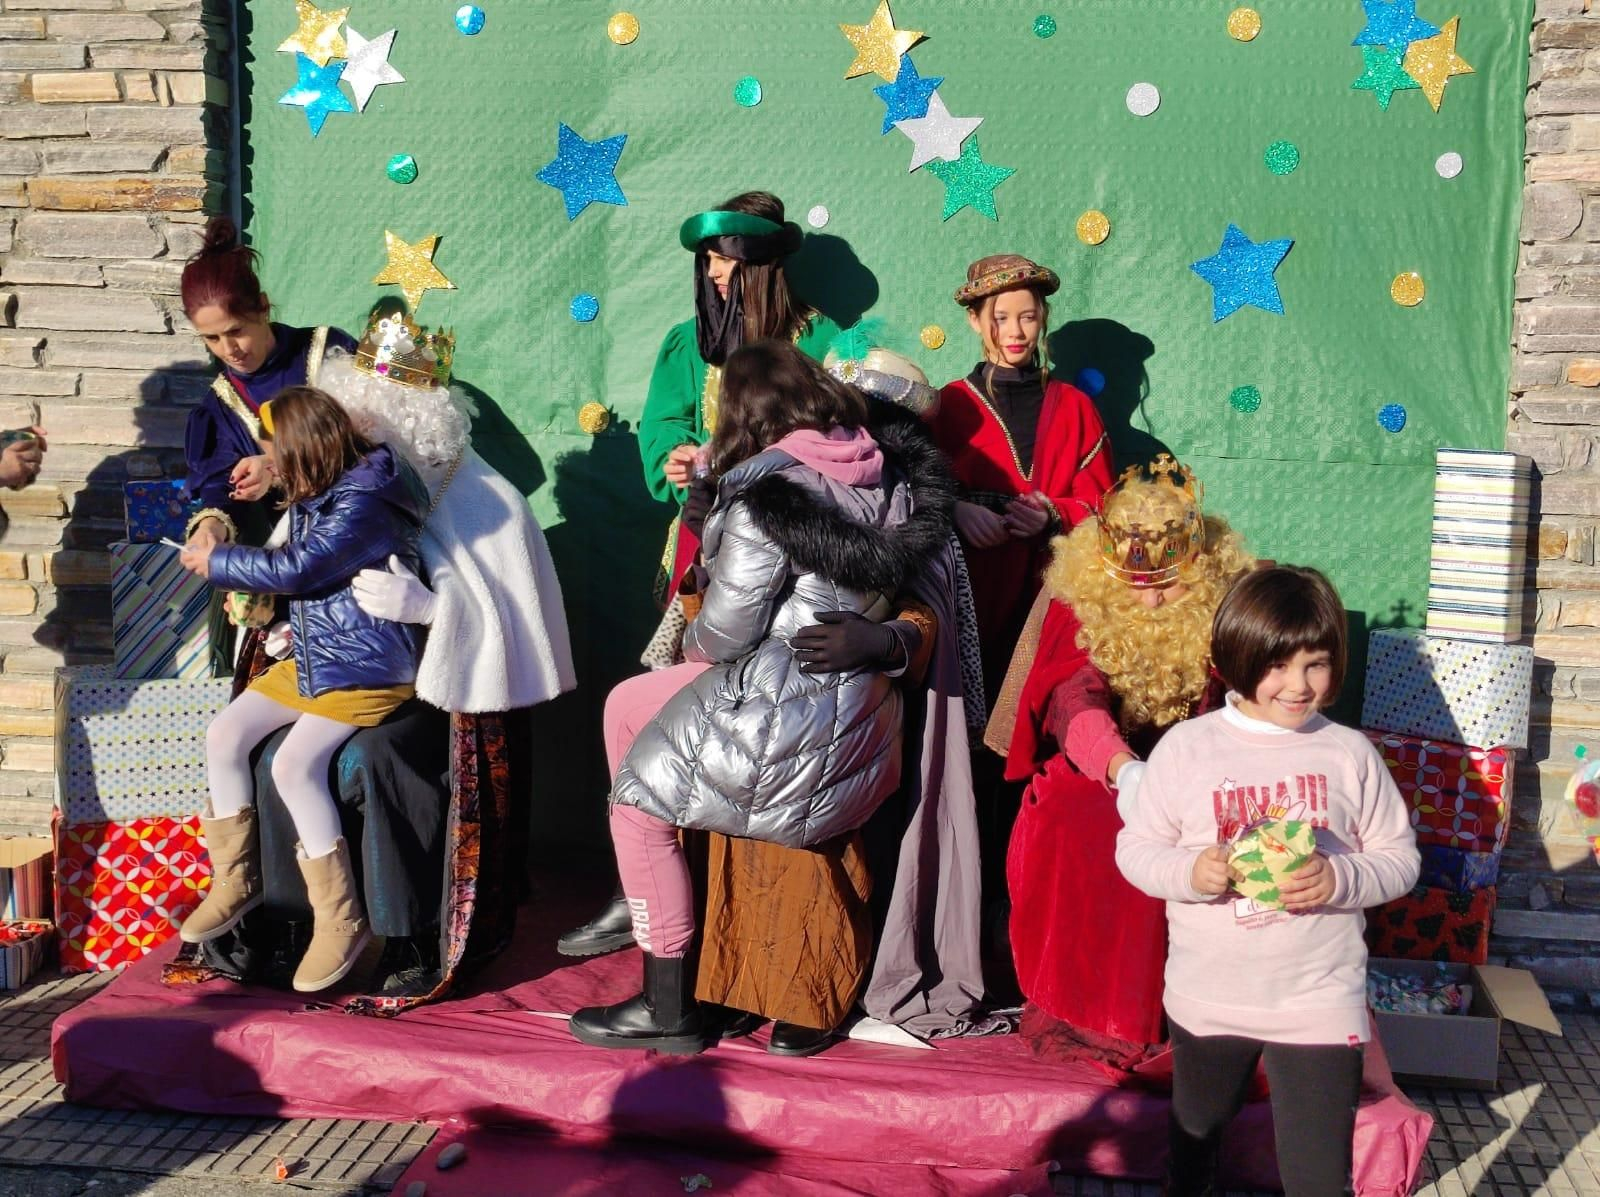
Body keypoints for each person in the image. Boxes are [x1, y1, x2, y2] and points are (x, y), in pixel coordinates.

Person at [568, 339, 952, 1055]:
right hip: (858, 702)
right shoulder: (881, 467)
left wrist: (693, 629)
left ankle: (666, 998)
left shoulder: (769, 492)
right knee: (629, 707)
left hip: (788, 699)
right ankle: (666, 907)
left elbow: (726, 632)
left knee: (634, 804)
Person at [560, 191, 841, 957]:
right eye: (708, 261)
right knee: (651, 722)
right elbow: (663, 437)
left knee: (753, 735)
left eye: (730, 262)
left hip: (791, 575)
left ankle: (738, 917)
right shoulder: (686, 345)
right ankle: (640, 887)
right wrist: (677, 460)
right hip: (696, 567)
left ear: (767, 269)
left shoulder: (818, 342)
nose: (717, 275)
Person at [1115, 566, 1419, 1196]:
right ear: (1235, 657)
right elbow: (1137, 851)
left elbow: (1399, 858)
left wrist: (1340, 878)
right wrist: (1192, 873)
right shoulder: (1188, 749)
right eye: (1278, 665)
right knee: (1196, 1138)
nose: (1298, 685)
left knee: (1317, 1176)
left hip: (1319, 997)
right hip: (1211, 996)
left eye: (1316, 664)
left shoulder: (1350, 753)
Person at [990, 457, 1253, 1071]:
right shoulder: (1076, 608)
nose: (1157, 599)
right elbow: (1071, 697)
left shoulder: (1226, 610)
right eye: (1141, 585)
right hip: (1100, 776)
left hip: (1204, 772)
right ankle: (1100, 1013)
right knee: (1085, 818)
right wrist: (1122, 770)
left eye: (1173, 583)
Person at [176, 386, 428, 993]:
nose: (271, 463)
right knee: (225, 732)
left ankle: (341, 917)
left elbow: (300, 568)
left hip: (366, 667)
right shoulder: (328, 487)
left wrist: (219, 563)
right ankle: (237, 878)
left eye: (275, 453)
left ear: (304, 451)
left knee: (294, 764)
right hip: (319, 655)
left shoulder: (364, 501)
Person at [931, 254, 1113, 701]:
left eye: (1028, 317)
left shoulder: (1076, 407)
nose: (1015, 332)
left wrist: (1053, 514)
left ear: (1042, 319)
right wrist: (956, 509)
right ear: (974, 321)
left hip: (1052, 590)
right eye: (1000, 318)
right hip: (970, 589)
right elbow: (908, 492)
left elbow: (1106, 505)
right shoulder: (948, 406)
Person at [180, 216, 356, 550]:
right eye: (212, 338)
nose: (228, 350)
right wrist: (211, 525)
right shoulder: (221, 405)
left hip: (371, 531)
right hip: (303, 557)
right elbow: (221, 482)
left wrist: (276, 466)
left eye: (236, 331)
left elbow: (374, 440)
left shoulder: (326, 350)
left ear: (261, 307)